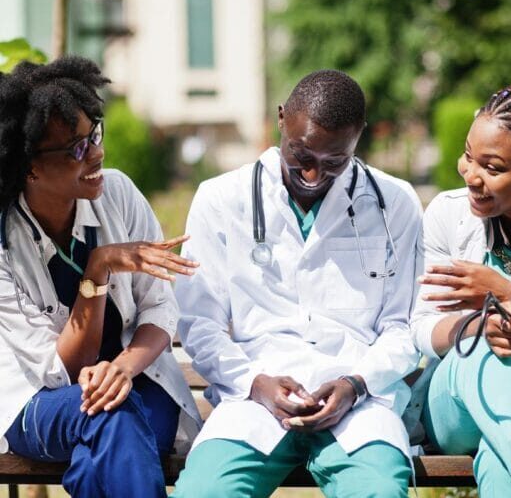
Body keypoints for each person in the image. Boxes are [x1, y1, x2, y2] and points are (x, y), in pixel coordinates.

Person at [172, 70, 422, 498]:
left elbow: (404, 325)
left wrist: (355, 384)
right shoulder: (220, 199)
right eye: (300, 153)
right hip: (252, 401)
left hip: (358, 406)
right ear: (281, 118)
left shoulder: (394, 203)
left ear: (358, 137)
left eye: (333, 162)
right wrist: (255, 382)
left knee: (379, 489)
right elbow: (200, 323)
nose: (311, 174)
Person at [0, 56, 202, 498]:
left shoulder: (120, 194)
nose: (95, 152)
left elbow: (160, 306)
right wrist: (98, 269)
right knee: (112, 413)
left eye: (94, 134)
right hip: (40, 401)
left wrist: (124, 368)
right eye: (75, 147)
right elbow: (64, 370)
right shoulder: (3, 244)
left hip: (138, 382)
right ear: (29, 165)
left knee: (106, 448)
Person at [411, 86, 511, 497]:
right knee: (483, 354)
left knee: (496, 462)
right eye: (469, 157)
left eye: (491, 167)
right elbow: (420, 328)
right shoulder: (448, 215)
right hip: (452, 400)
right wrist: (484, 322)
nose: (471, 175)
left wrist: (501, 290)